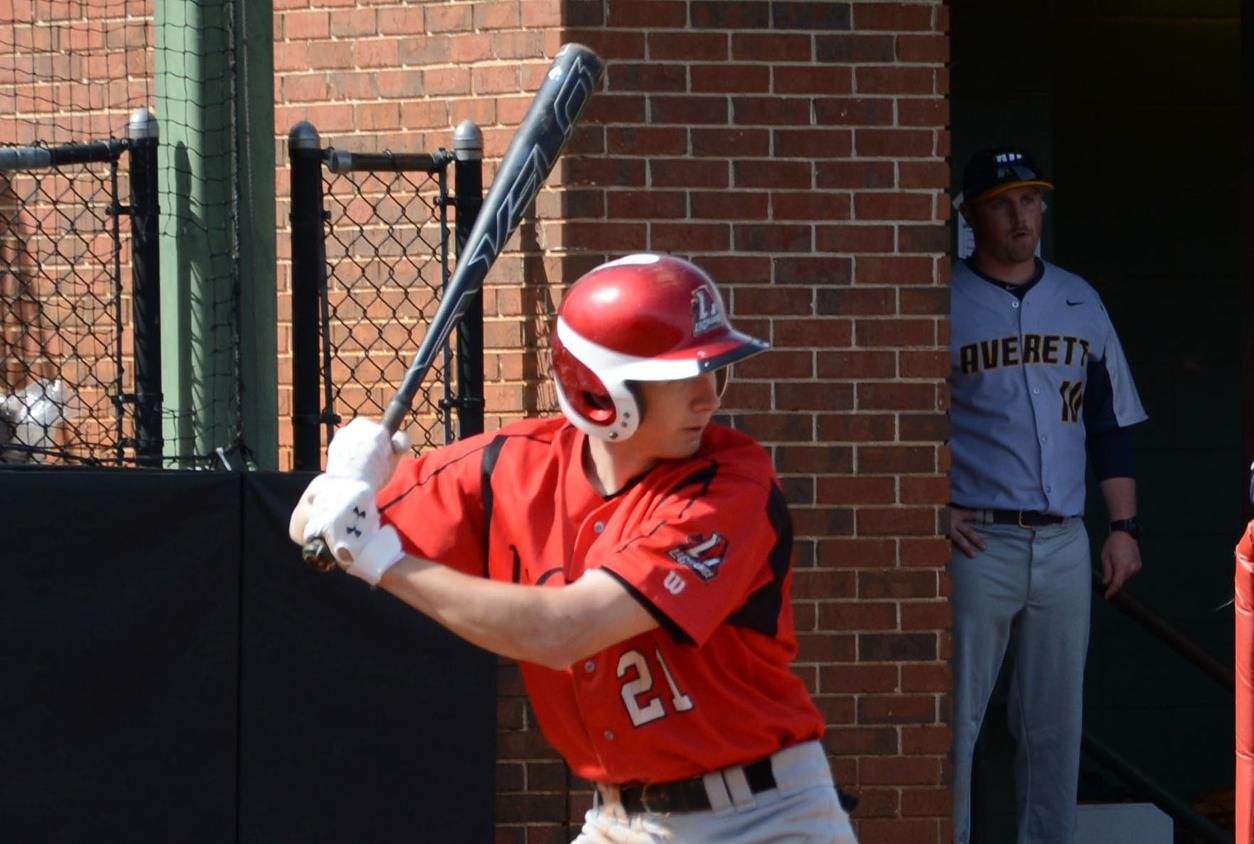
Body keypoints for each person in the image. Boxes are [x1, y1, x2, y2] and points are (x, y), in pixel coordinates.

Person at [290, 253, 858, 844]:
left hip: (764, 818)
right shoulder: (513, 464)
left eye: (714, 370)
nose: (709, 397)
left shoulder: (732, 487)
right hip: (621, 822)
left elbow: (564, 630)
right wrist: (343, 483)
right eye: (682, 376)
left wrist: (383, 560)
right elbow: (311, 526)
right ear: (601, 394)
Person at [947, 148, 1147, 844]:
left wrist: (1123, 527)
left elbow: (1108, 423)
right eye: (1002, 202)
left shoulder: (1078, 297)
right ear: (971, 215)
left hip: (1063, 540)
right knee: (954, 725)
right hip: (979, 541)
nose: (1018, 214)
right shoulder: (939, 300)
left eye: (1029, 200)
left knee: (1054, 730)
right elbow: (909, 421)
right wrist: (930, 507)